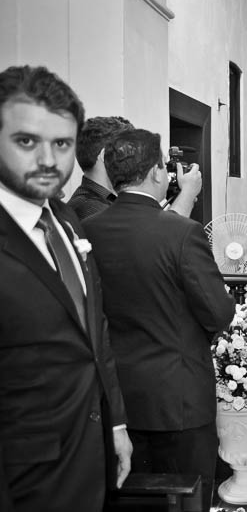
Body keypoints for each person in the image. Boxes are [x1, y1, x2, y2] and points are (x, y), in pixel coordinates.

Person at [0, 65, 131, 512]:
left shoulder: (68, 221)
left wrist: (113, 425)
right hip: (23, 476)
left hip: (89, 453)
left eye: (62, 143)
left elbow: (96, 331)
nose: (48, 160)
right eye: (26, 141)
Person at [83, 128, 235, 512]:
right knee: (188, 498)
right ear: (156, 173)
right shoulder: (181, 232)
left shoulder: (86, 231)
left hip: (117, 399)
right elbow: (218, 311)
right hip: (179, 397)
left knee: (132, 502)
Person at [69, 116, 202, 220]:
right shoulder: (90, 208)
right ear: (105, 155)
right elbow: (154, 245)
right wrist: (187, 195)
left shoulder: (107, 201)